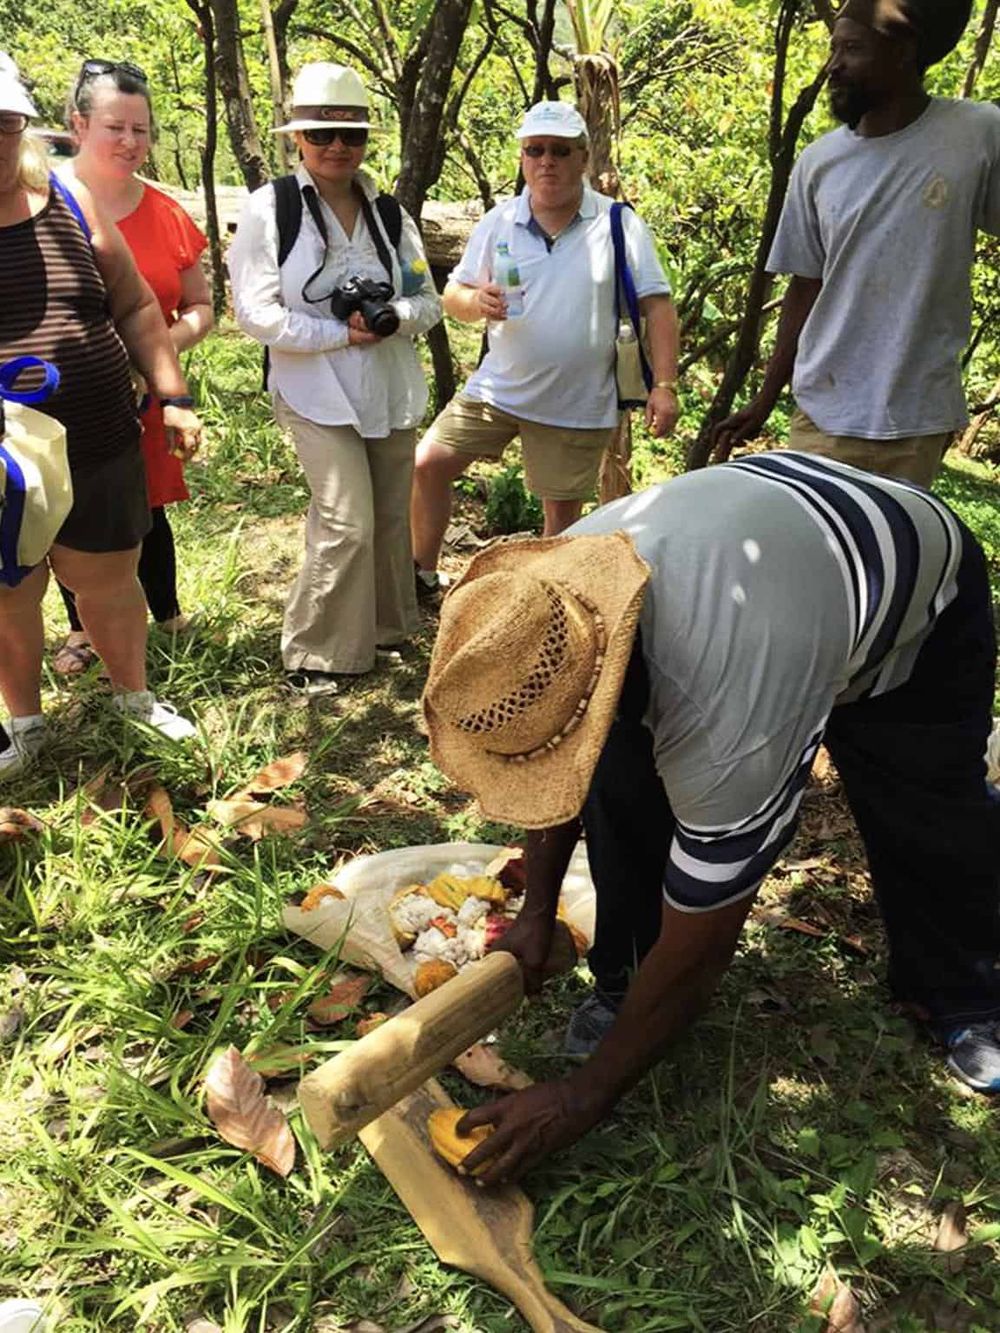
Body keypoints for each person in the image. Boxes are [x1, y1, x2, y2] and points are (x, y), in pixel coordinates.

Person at [422, 450, 1000, 1184]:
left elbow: (708, 933)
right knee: (617, 788)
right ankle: (623, 980)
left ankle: (962, 992)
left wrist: (583, 1095)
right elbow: (560, 763)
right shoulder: (547, 601)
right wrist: (536, 909)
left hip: (909, 582)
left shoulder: (724, 701)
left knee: (926, 809)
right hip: (776, 548)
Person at [0, 55, 202, 776]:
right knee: (9, 589)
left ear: (23, 127)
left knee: (110, 576)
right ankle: (24, 724)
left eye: (4, 124)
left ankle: (133, 699)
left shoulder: (67, 198)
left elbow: (137, 305)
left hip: (99, 436)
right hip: (6, 458)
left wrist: (172, 395)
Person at [712, 0, 997, 487]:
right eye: (832, 48)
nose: (834, 65)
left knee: (889, 557)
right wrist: (763, 401)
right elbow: (805, 288)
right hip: (823, 412)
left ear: (903, 52)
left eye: (851, 49)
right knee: (817, 554)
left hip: (916, 420)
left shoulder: (975, 134)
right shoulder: (819, 164)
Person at [228, 63, 442, 696]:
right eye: (321, 134)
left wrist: (396, 316)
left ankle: (381, 631)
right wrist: (336, 334)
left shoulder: (389, 215)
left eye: (351, 135)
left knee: (385, 518)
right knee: (345, 519)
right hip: (314, 391)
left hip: (387, 385)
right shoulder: (272, 210)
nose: (337, 147)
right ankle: (315, 652)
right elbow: (255, 312)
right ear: (298, 138)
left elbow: (427, 297)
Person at [411, 101, 678, 599]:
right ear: (522, 158)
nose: (547, 162)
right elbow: (453, 295)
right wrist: (475, 301)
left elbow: (658, 308)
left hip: (576, 401)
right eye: (535, 150)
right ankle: (420, 574)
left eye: (560, 151)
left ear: (583, 157)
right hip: (499, 388)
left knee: (559, 520)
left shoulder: (617, 224)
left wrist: (664, 386)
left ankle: (545, 609)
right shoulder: (500, 222)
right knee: (428, 463)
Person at [51, 59, 214, 675]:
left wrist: (156, 353)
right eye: (115, 127)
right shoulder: (43, 204)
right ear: (78, 125)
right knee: (66, 509)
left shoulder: (167, 212)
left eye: (141, 130)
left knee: (146, 505)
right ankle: (80, 629)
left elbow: (201, 307)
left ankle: (168, 612)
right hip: (65, 396)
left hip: (149, 393)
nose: (129, 142)